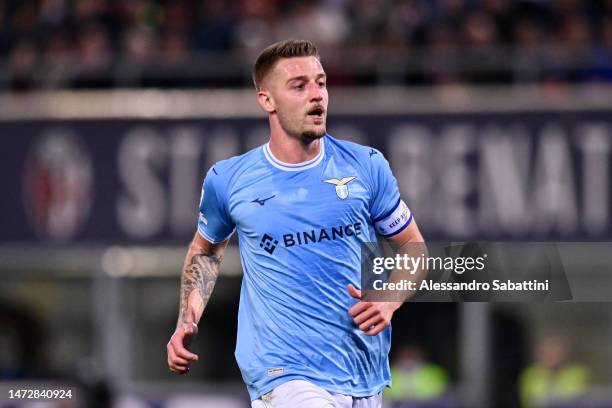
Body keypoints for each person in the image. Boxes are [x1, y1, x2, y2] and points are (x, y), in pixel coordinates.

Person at [166, 39, 424, 408]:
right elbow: (206, 250)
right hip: (283, 373)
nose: (316, 95)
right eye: (299, 86)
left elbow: (413, 248)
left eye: (321, 82)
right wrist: (186, 320)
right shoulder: (229, 180)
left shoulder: (366, 166)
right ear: (266, 100)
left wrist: (389, 299)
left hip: (361, 371)